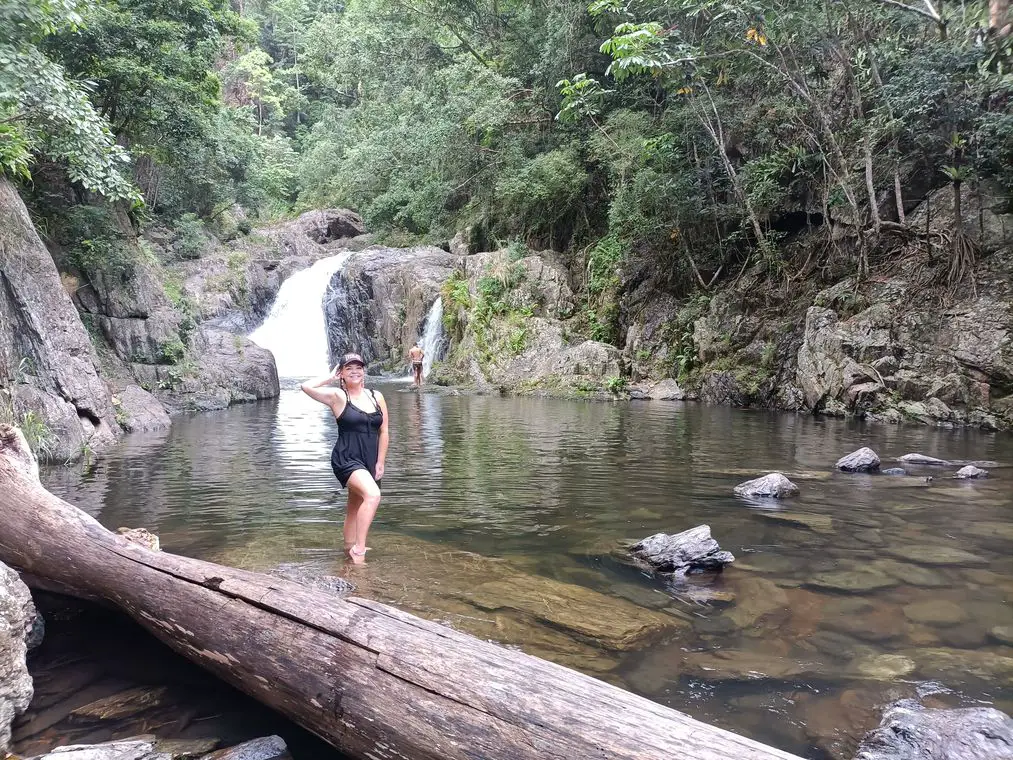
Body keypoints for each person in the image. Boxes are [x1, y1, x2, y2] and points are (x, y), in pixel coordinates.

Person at [301, 352, 388, 563]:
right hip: (346, 457)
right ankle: (359, 550)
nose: (355, 371)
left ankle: (347, 551)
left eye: (358, 367)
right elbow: (306, 386)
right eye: (349, 368)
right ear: (342, 373)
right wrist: (330, 377)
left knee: (354, 507)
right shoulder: (338, 397)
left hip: (369, 459)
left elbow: (384, 431)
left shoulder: (376, 396)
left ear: (364, 370)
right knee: (373, 495)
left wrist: (380, 461)